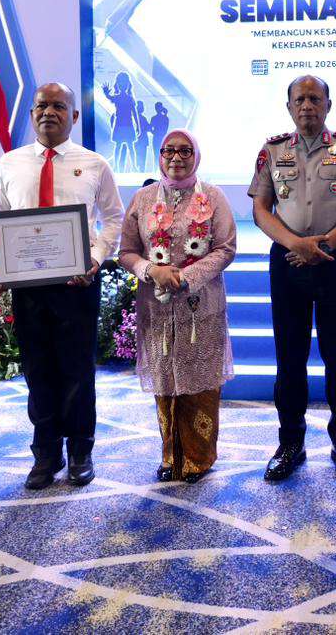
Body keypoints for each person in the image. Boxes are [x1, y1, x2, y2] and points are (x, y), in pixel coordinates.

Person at [0, 83, 124, 490]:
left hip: (76, 283)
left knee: (78, 369)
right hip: (28, 287)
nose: (49, 112)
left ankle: (81, 449)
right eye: (41, 106)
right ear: (31, 114)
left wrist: (95, 259)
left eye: (59, 106)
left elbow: (113, 218)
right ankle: (46, 453)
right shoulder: (9, 163)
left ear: (74, 116)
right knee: (38, 370)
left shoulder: (94, 163)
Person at [248, 75, 336, 482]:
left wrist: (325, 244)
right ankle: (290, 443)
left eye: (315, 98)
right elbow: (261, 210)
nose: (307, 105)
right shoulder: (271, 151)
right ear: (289, 106)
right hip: (287, 261)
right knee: (290, 359)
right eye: (300, 99)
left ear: (328, 104)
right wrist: (295, 244)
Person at [118, 129, 236, 483]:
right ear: (159, 155)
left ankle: (198, 458)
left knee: (200, 382)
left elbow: (226, 248)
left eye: (185, 151)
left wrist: (185, 277)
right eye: (169, 150)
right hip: (156, 308)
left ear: (196, 156)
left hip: (201, 307)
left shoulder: (213, 197)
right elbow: (126, 251)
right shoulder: (142, 199)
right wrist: (151, 270)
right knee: (165, 379)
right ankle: (170, 454)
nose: (176, 157)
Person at [103, 73, 139, 173]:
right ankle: (116, 166)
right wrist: (106, 94)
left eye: (124, 83)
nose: (122, 85)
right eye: (120, 83)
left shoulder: (129, 98)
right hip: (121, 125)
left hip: (126, 125)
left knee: (128, 146)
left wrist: (138, 126)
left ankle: (134, 166)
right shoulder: (119, 97)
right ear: (118, 84)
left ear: (128, 84)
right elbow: (110, 97)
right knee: (121, 146)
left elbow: (134, 113)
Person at [150, 102, 170, 171]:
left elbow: (150, 128)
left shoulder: (154, 118)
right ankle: (160, 169)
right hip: (161, 137)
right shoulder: (165, 118)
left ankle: (158, 169)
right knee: (161, 154)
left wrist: (155, 133)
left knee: (157, 154)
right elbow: (165, 129)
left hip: (158, 137)